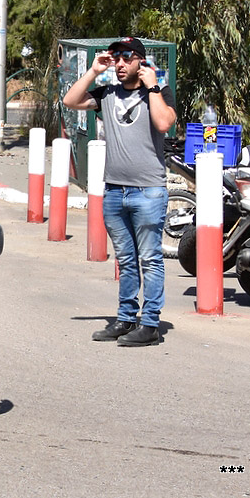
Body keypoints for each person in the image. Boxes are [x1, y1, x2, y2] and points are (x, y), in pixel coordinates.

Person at [62, 36, 177, 346]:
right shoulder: (107, 94)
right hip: (114, 192)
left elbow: (165, 123)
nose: (121, 63)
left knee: (150, 259)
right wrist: (93, 72)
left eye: (127, 56)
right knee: (126, 260)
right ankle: (126, 318)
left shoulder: (159, 92)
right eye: (116, 57)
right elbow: (70, 101)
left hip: (148, 191)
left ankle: (150, 325)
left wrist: (152, 86)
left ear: (140, 60)